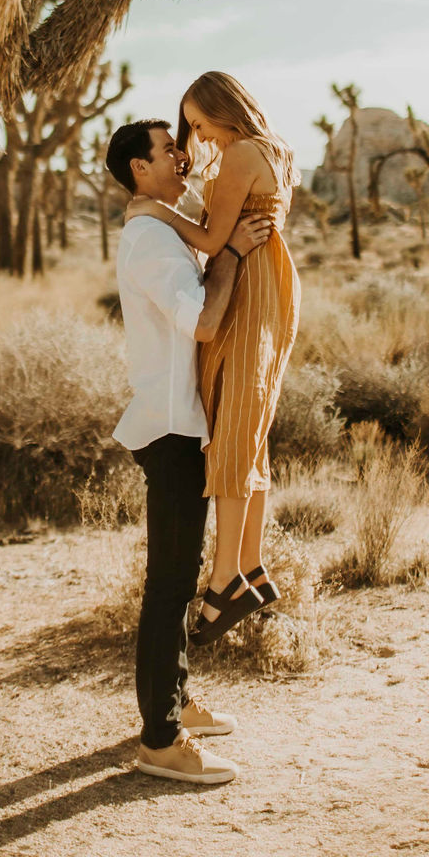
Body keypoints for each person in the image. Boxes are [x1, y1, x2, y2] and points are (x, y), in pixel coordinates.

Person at [107, 118, 272, 787]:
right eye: (166, 149)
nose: (180, 155)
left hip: (180, 423)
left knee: (175, 582)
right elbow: (203, 321)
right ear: (139, 170)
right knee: (170, 586)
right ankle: (160, 740)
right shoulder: (149, 241)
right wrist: (229, 254)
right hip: (169, 428)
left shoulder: (160, 226)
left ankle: (171, 703)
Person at [125, 71, 301, 647]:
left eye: (198, 124)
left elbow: (208, 243)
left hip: (245, 290)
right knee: (252, 429)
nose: (196, 138)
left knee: (230, 429)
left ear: (222, 109)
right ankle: (249, 564)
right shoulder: (277, 149)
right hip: (272, 285)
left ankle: (225, 577)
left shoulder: (240, 154)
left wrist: (148, 211)